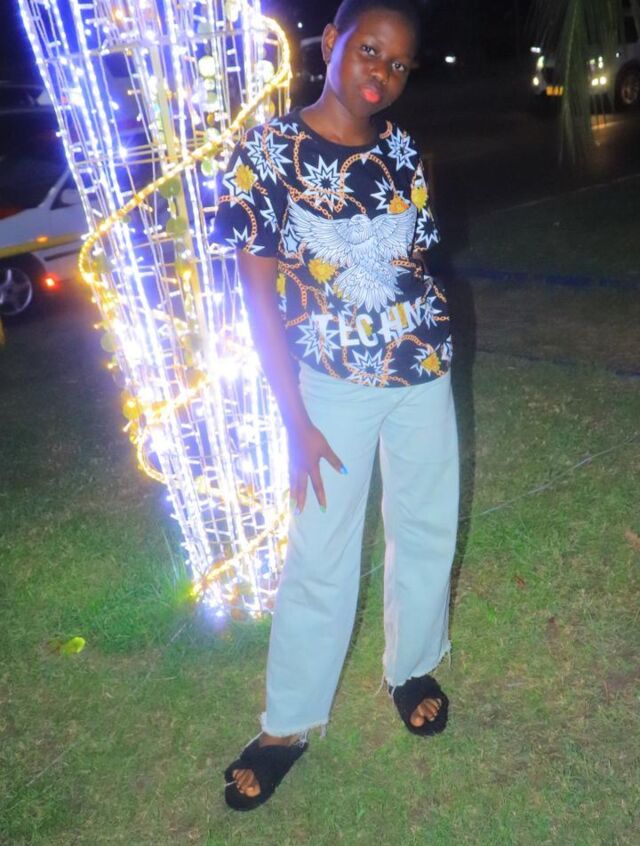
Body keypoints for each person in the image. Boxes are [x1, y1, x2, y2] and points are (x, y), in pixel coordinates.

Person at [211, 0, 459, 811]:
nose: (382, 73)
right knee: (321, 551)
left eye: (399, 64)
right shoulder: (268, 153)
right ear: (331, 42)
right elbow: (257, 295)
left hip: (420, 367)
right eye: (369, 51)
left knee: (425, 524)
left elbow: (416, 262)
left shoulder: (402, 151)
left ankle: (410, 667)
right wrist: (295, 423)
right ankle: (286, 727)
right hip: (332, 385)